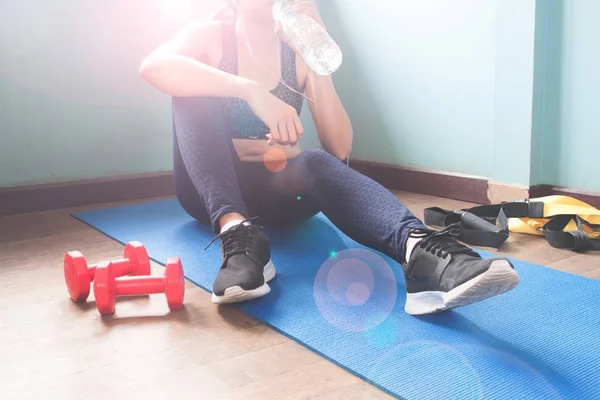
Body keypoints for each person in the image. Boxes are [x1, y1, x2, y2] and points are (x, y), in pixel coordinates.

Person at [139, 0, 519, 315]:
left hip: (276, 192)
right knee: (189, 86)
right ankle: (237, 237)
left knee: (317, 161)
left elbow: (339, 150)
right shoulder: (210, 34)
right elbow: (154, 67)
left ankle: (420, 251)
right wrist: (250, 90)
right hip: (208, 193)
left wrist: (315, 57)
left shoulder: (297, 50)